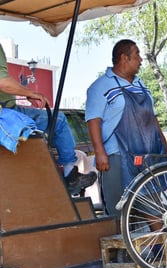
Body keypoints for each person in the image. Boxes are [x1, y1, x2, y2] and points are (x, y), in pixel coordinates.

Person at [86, 39, 167, 218]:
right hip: (116, 156)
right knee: (118, 208)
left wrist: (164, 144)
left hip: (145, 156)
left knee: (152, 203)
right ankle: (119, 244)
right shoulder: (100, 86)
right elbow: (93, 120)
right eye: (137, 54)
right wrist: (100, 152)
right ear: (124, 58)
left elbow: (152, 118)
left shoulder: (141, 85)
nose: (141, 60)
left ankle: (162, 244)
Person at [0, 43, 96, 195]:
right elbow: (3, 82)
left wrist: (25, 92)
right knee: (58, 120)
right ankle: (70, 174)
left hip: (7, 108)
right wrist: (31, 93)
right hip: (5, 112)